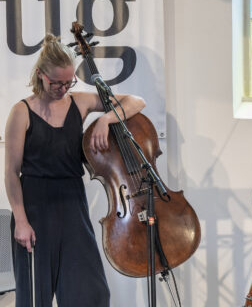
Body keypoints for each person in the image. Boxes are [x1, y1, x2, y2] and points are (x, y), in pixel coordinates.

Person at [4, 34, 146, 307]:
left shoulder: (80, 102)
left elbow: (136, 101)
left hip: (73, 206)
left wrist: (106, 118)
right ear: (40, 75)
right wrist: (20, 221)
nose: (62, 88)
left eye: (68, 82)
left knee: (91, 294)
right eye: (56, 82)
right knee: (34, 298)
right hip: (34, 208)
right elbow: (11, 173)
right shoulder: (20, 112)